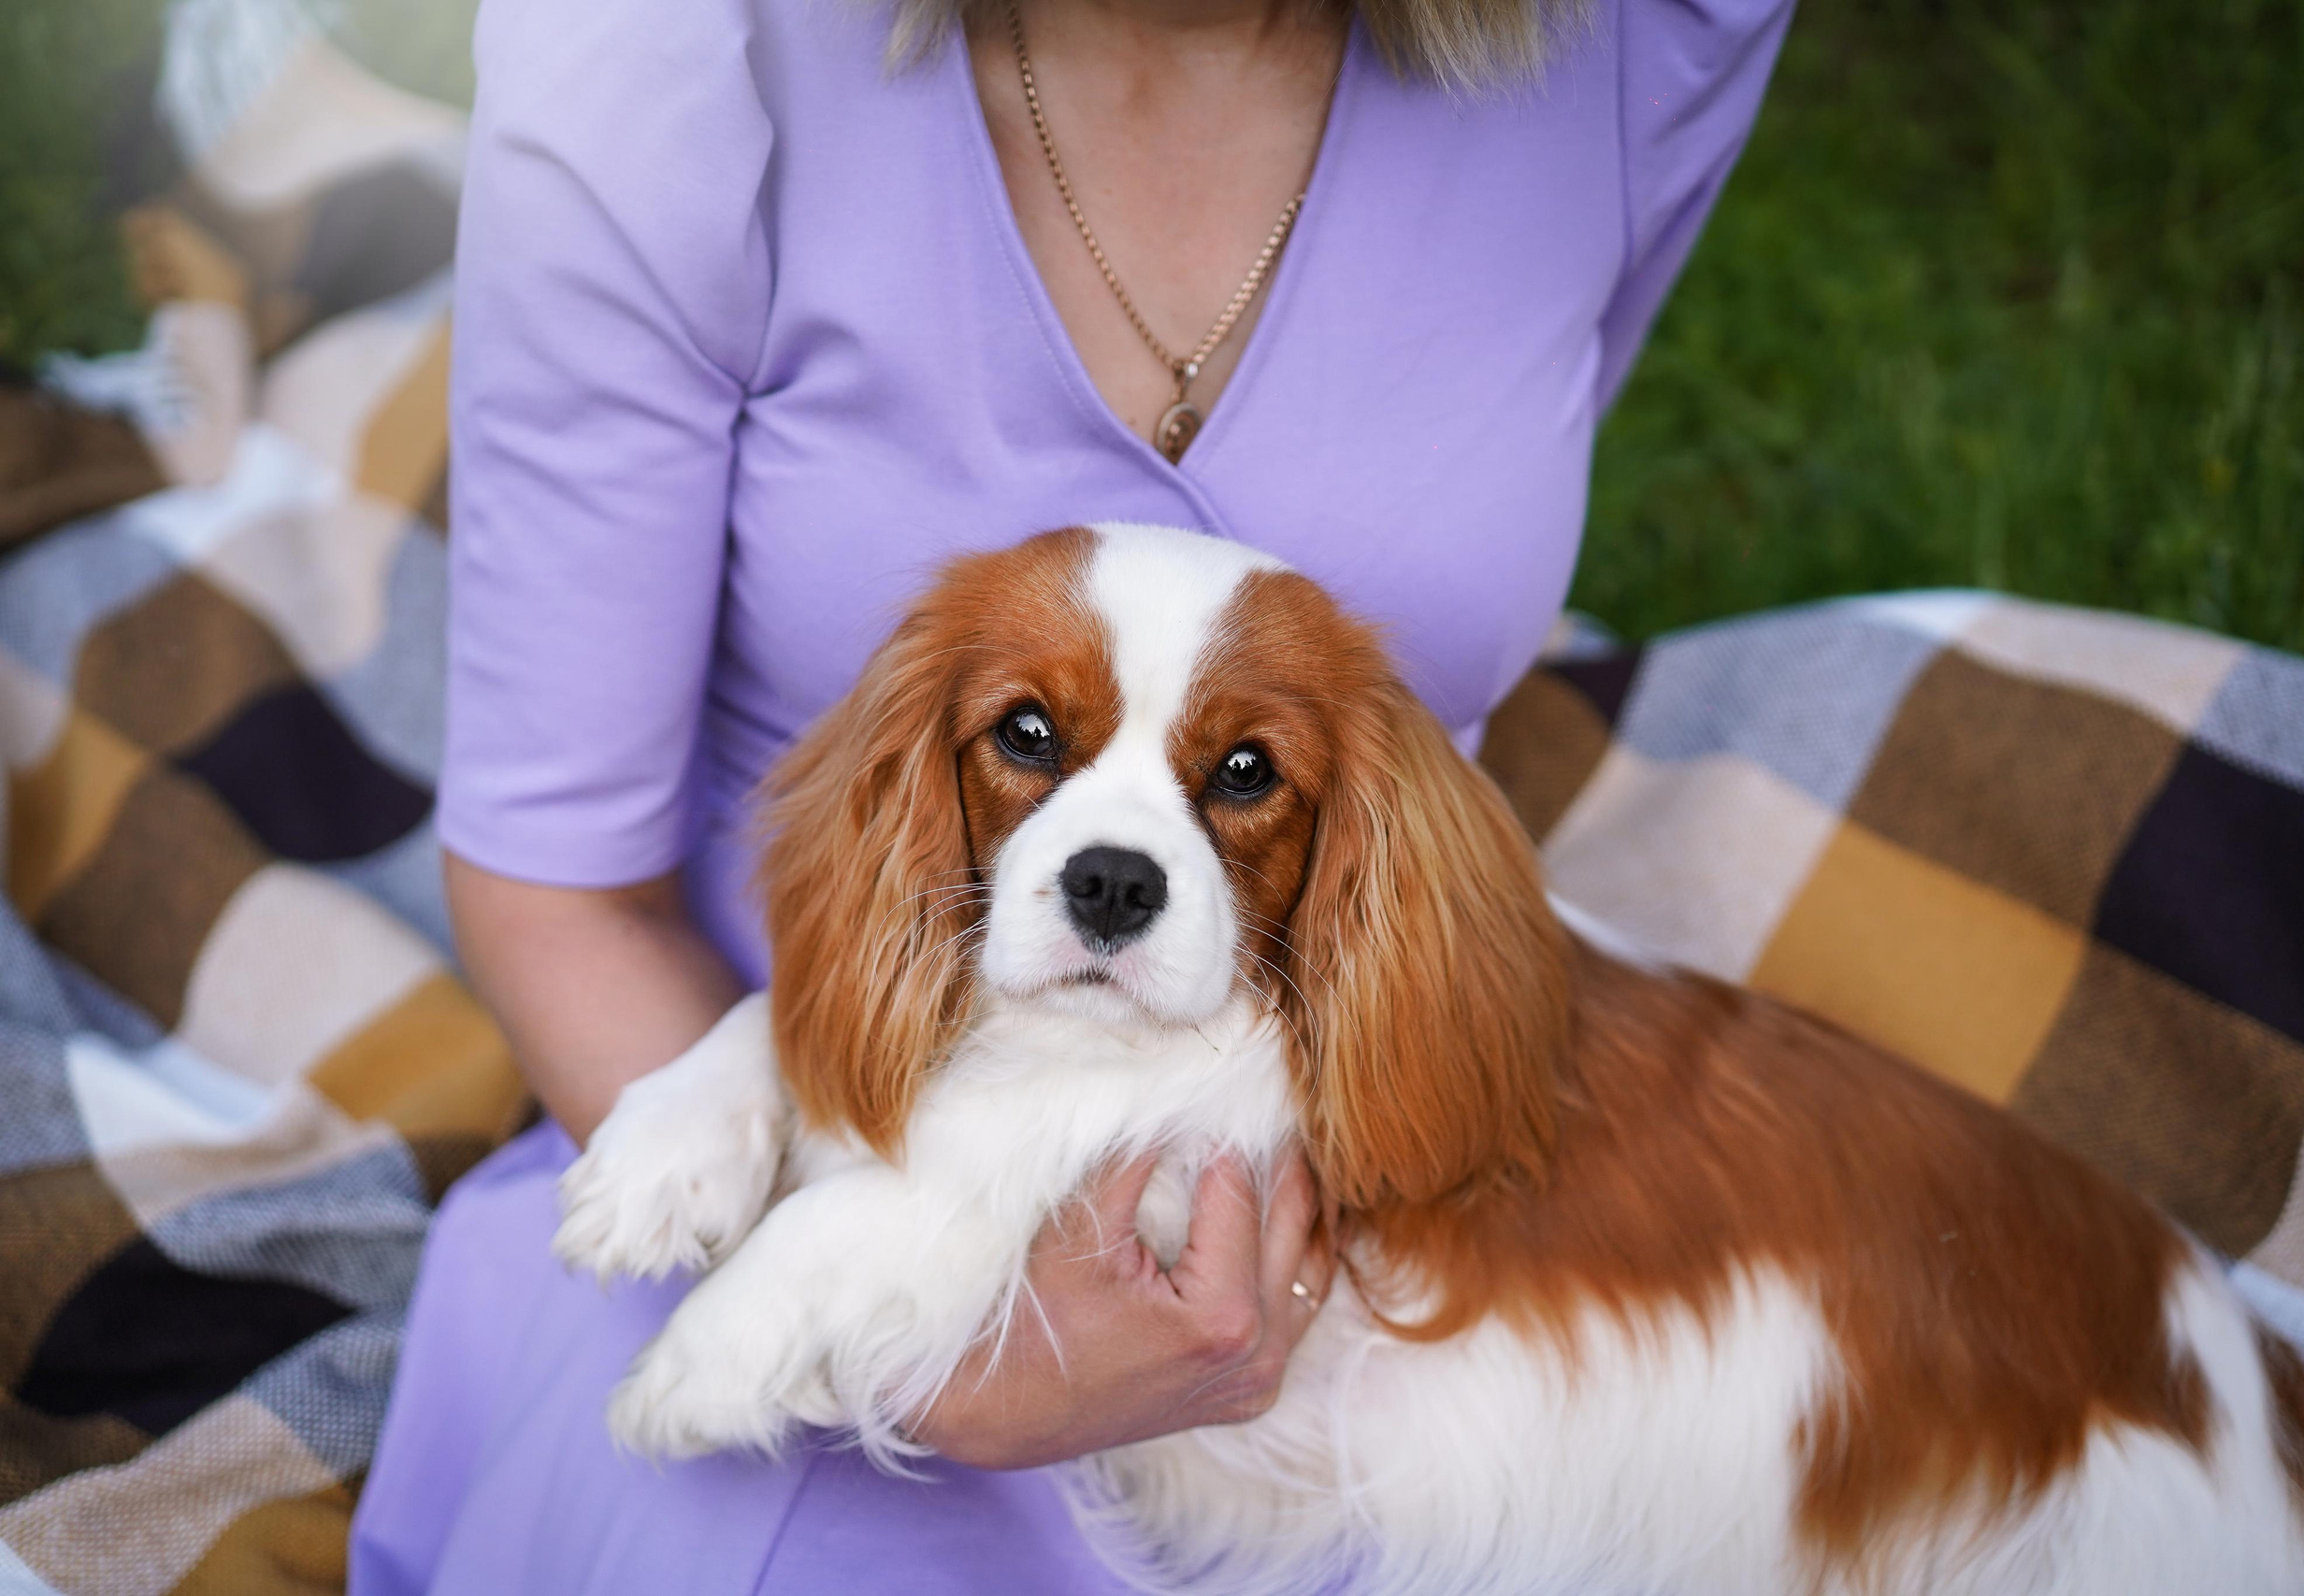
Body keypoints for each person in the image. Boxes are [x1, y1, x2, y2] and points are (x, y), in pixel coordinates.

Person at [349, 0, 1793, 1585]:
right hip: (777, 1086)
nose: (1117, 846)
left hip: (1362, 1146)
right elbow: (555, 882)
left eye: (1240, 777)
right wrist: (908, 1318)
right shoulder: (667, 40)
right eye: (1032, 738)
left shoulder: (1641, 35)